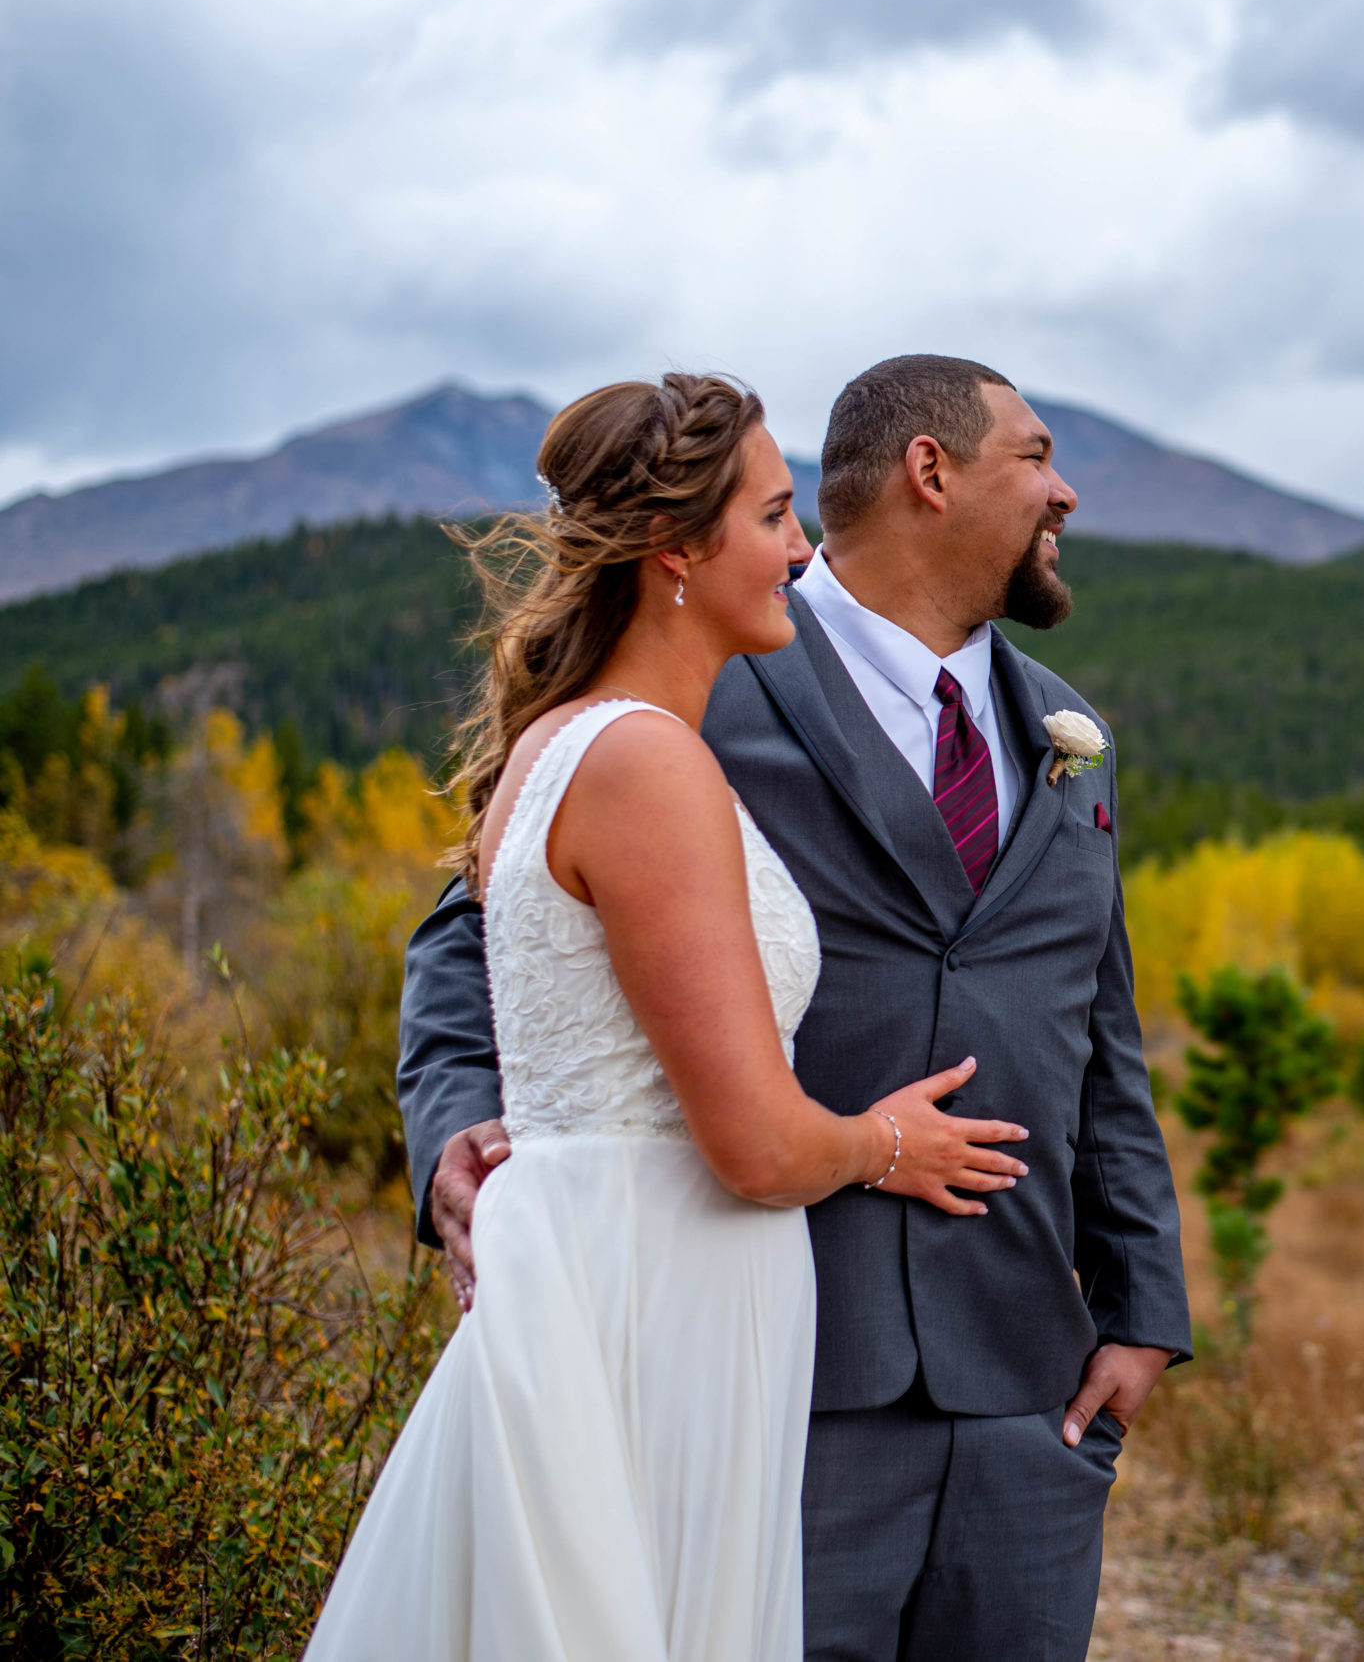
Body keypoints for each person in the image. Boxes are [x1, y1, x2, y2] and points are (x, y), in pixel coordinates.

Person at [393, 357, 1191, 1662]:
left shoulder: (1068, 730)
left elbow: (1101, 1027)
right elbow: (476, 937)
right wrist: (458, 1138)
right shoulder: (702, 683)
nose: (1068, 491)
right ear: (932, 473)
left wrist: (1143, 1305)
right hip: (784, 1369)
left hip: (1028, 1387)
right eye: (1036, 454)